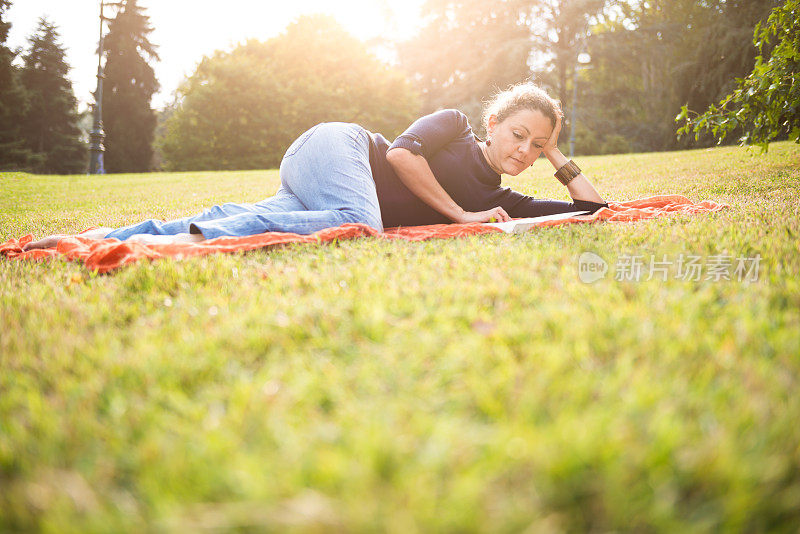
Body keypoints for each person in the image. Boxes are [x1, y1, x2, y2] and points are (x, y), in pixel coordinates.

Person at [23, 82, 607, 251]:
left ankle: (96, 239)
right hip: (340, 147)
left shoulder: (507, 199)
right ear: (493, 123)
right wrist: (459, 214)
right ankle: (188, 241)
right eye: (518, 134)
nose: (523, 150)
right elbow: (401, 152)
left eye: (536, 147)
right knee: (363, 221)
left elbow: (592, 211)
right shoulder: (454, 121)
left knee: (248, 217)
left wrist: (558, 150)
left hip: (315, 189)